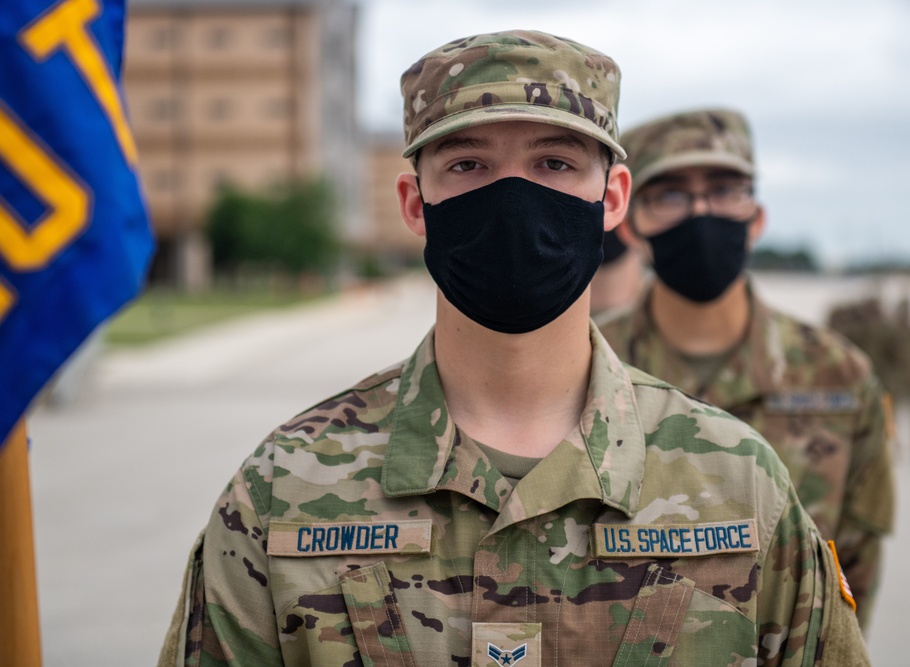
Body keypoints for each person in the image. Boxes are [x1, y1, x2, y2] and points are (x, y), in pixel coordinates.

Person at [159, 35, 869, 666]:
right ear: (414, 203)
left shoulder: (740, 486)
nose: (513, 200)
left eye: (555, 163)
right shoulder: (284, 487)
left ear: (613, 198)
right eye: (467, 164)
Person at [600, 108, 895, 630]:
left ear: (756, 218)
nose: (700, 212)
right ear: (631, 226)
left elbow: (853, 575)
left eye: (723, 189)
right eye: (669, 194)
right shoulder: (586, 367)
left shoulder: (839, 377)